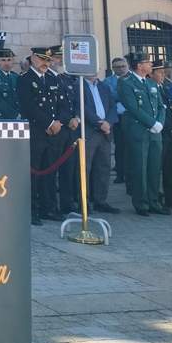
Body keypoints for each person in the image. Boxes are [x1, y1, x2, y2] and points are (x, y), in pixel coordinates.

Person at [17, 47, 63, 225]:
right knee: (34, 173)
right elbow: (28, 106)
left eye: (48, 60)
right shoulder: (25, 80)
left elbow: (59, 103)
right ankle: (32, 210)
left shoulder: (52, 78)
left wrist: (58, 121)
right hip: (36, 131)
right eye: (43, 59)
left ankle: (49, 208)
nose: (46, 63)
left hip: (53, 132)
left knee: (50, 172)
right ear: (34, 58)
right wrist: (49, 124)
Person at [117, 53, 166, 216]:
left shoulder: (150, 82)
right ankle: (141, 203)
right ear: (139, 65)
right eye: (148, 62)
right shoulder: (125, 83)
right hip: (138, 131)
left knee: (154, 168)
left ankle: (154, 201)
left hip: (155, 133)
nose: (151, 65)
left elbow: (161, 106)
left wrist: (159, 123)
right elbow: (133, 108)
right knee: (140, 168)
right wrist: (152, 123)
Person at [79, 72, 119, 214]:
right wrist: (98, 123)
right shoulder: (79, 85)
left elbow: (114, 107)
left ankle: (100, 201)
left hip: (106, 132)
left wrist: (108, 122)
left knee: (103, 167)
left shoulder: (104, 87)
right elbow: (82, 107)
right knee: (86, 168)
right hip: (90, 131)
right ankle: (84, 202)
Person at [48, 44, 79, 215]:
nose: (60, 61)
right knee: (52, 170)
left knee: (68, 169)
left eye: (61, 58)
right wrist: (64, 120)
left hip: (69, 130)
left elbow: (73, 103)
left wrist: (76, 118)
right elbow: (53, 107)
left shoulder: (66, 79)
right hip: (56, 129)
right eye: (57, 58)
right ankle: (51, 205)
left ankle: (67, 203)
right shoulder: (49, 78)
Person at [153, 62, 172, 210]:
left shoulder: (165, 88)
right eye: (160, 73)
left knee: (171, 167)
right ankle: (156, 199)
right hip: (163, 133)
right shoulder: (153, 89)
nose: (163, 75)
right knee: (158, 168)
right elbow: (160, 113)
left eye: (164, 73)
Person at [104, 57, 130, 183]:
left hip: (133, 117)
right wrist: (125, 94)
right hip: (118, 119)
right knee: (120, 147)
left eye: (123, 66)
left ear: (127, 66)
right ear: (113, 68)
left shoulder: (133, 78)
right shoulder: (108, 81)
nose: (120, 69)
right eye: (117, 67)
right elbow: (110, 96)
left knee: (133, 146)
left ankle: (132, 173)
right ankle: (120, 174)